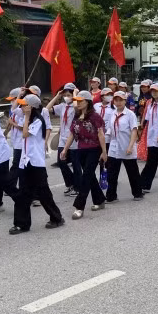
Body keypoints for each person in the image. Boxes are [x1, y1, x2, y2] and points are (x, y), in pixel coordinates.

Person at [9, 95, 64, 234]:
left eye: (24, 105)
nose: (21, 107)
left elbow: (25, 134)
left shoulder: (38, 120)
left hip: (36, 162)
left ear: (31, 107)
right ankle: (22, 224)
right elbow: (13, 110)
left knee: (43, 192)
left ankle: (57, 218)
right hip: (25, 161)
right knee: (23, 193)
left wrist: (27, 116)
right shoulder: (26, 118)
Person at [60, 91, 107, 220]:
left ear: (88, 102)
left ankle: (79, 207)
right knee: (90, 176)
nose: (78, 103)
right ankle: (100, 200)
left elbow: (101, 134)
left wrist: (104, 152)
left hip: (94, 149)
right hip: (81, 149)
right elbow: (71, 134)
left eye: (81, 101)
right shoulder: (76, 116)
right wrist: (65, 149)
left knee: (85, 177)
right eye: (77, 100)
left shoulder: (95, 116)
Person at [105, 91, 143, 203]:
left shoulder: (130, 114)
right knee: (112, 173)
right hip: (114, 146)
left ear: (125, 101)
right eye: (116, 100)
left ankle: (137, 193)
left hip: (127, 145)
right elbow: (110, 129)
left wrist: (130, 146)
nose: (118, 102)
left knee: (132, 172)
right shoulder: (112, 114)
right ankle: (111, 196)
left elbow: (134, 130)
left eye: (121, 100)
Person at [46, 83, 81, 197]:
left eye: (68, 95)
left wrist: (75, 94)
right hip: (63, 138)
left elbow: (76, 108)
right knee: (61, 162)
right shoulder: (62, 106)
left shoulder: (78, 105)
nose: (66, 97)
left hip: (74, 139)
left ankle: (78, 187)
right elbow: (47, 109)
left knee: (76, 164)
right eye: (65, 95)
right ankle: (70, 184)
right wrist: (57, 96)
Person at [136, 79, 153, 161]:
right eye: (142, 87)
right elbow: (138, 107)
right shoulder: (141, 96)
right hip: (142, 118)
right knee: (142, 136)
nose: (143, 88)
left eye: (145, 87)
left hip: (149, 119)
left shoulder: (151, 97)